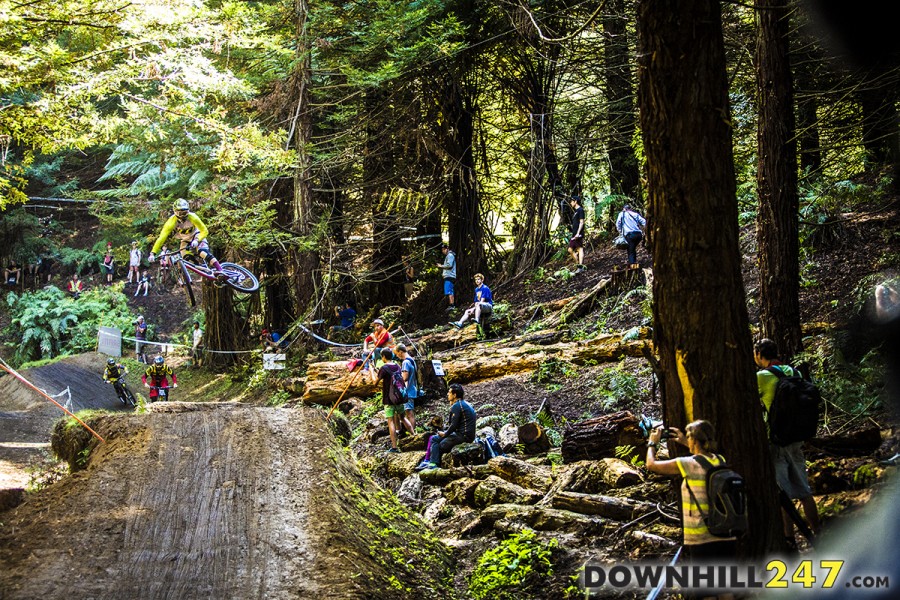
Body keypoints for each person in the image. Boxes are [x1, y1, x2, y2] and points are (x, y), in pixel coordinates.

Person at [754, 338, 820, 549]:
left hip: (777, 441)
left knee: (782, 494)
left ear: (759, 355)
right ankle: (818, 536)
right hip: (796, 439)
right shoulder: (794, 373)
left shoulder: (762, 377)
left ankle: (789, 540)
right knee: (804, 490)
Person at [646, 420, 737, 568]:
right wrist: (684, 441)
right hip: (725, 531)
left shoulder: (687, 464)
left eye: (689, 437)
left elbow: (651, 465)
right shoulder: (720, 460)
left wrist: (652, 443)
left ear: (694, 440)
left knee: (705, 589)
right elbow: (702, 458)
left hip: (701, 536)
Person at [148, 198, 225, 277]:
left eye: (185, 212)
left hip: (196, 236)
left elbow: (204, 231)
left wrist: (197, 240)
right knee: (187, 258)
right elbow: (161, 238)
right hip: (185, 240)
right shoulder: (171, 222)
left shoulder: (193, 217)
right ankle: (203, 269)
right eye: (180, 213)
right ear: (175, 212)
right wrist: (152, 253)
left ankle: (220, 270)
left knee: (203, 252)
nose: (183, 215)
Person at [419, 383, 476, 470]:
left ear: (455, 395)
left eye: (449, 392)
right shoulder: (465, 404)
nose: (447, 394)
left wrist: (445, 434)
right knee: (435, 438)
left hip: (463, 436)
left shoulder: (457, 406)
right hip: (468, 436)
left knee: (440, 444)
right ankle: (431, 461)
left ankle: (433, 463)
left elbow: (453, 425)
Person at [369, 348, 409, 453]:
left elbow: (375, 382)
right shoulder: (397, 366)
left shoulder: (384, 367)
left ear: (383, 357)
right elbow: (388, 376)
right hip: (399, 397)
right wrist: (377, 371)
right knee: (403, 417)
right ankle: (415, 436)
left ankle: (394, 447)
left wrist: (371, 371)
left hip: (389, 399)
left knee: (390, 421)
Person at [394, 344, 419, 435]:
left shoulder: (405, 362)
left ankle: (412, 434)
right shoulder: (412, 360)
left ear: (400, 352)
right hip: (412, 389)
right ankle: (411, 432)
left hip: (407, 391)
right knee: (409, 412)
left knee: (409, 413)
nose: (397, 356)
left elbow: (404, 378)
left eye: (397, 353)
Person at [567, 196, 587, 272]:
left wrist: (578, 233)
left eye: (572, 201)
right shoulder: (576, 211)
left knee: (578, 249)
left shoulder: (580, 210)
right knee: (572, 249)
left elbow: (582, 222)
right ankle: (579, 265)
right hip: (575, 233)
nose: (570, 203)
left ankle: (580, 266)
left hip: (578, 233)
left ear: (575, 201)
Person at [438, 242, 457, 312]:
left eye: (444, 249)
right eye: (442, 250)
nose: (443, 251)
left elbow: (449, 265)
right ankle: (450, 304)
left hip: (450, 276)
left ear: (447, 249)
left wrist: (441, 266)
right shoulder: (448, 256)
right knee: (448, 290)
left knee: (450, 291)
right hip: (448, 276)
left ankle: (452, 305)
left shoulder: (450, 255)